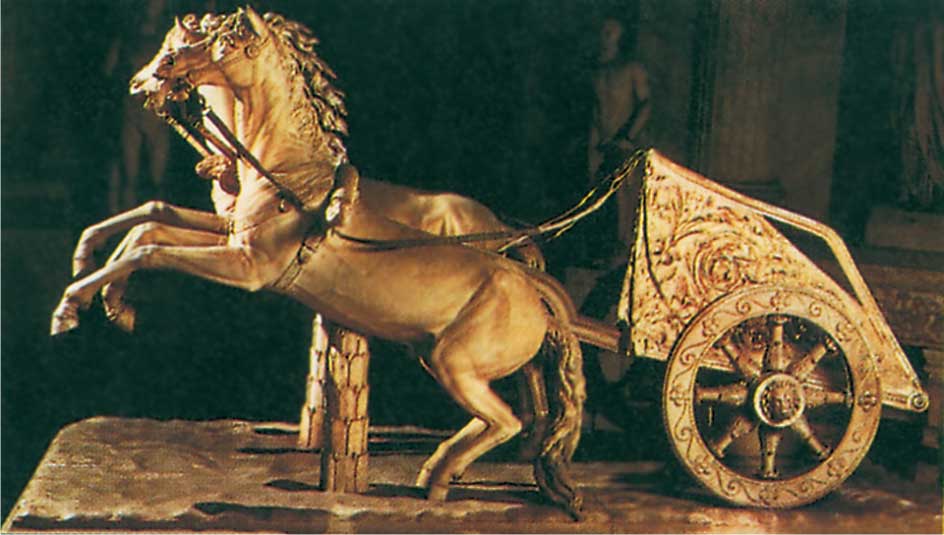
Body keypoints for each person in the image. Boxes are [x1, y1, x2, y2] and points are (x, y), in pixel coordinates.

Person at [587, 14, 650, 263]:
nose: (605, 38)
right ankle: (604, 253)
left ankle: (623, 253)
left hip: (624, 145)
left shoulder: (632, 69)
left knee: (624, 201)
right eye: (602, 32)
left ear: (621, 35)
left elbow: (645, 104)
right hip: (602, 145)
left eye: (610, 32)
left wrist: (628, 136)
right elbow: (596, 112)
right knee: (599, 198)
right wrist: (592, 147)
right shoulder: (596, 71)